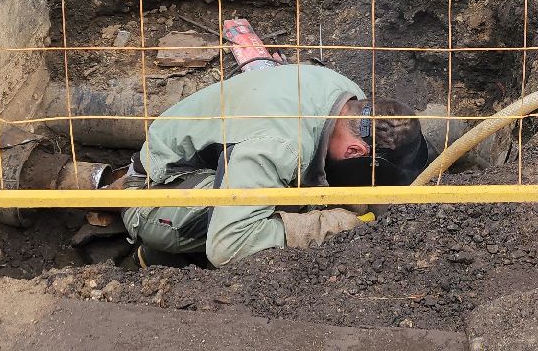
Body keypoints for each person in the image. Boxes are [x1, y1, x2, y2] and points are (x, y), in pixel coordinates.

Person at [114, 62, 429, 266]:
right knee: (284, 209)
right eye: (374, 176)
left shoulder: (348, 98)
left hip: (214, 155)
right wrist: (332, 224)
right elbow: (228, 247)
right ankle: (165, 257)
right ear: (354, 151)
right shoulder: (280, 147)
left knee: (297, 193)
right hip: (152, 195)